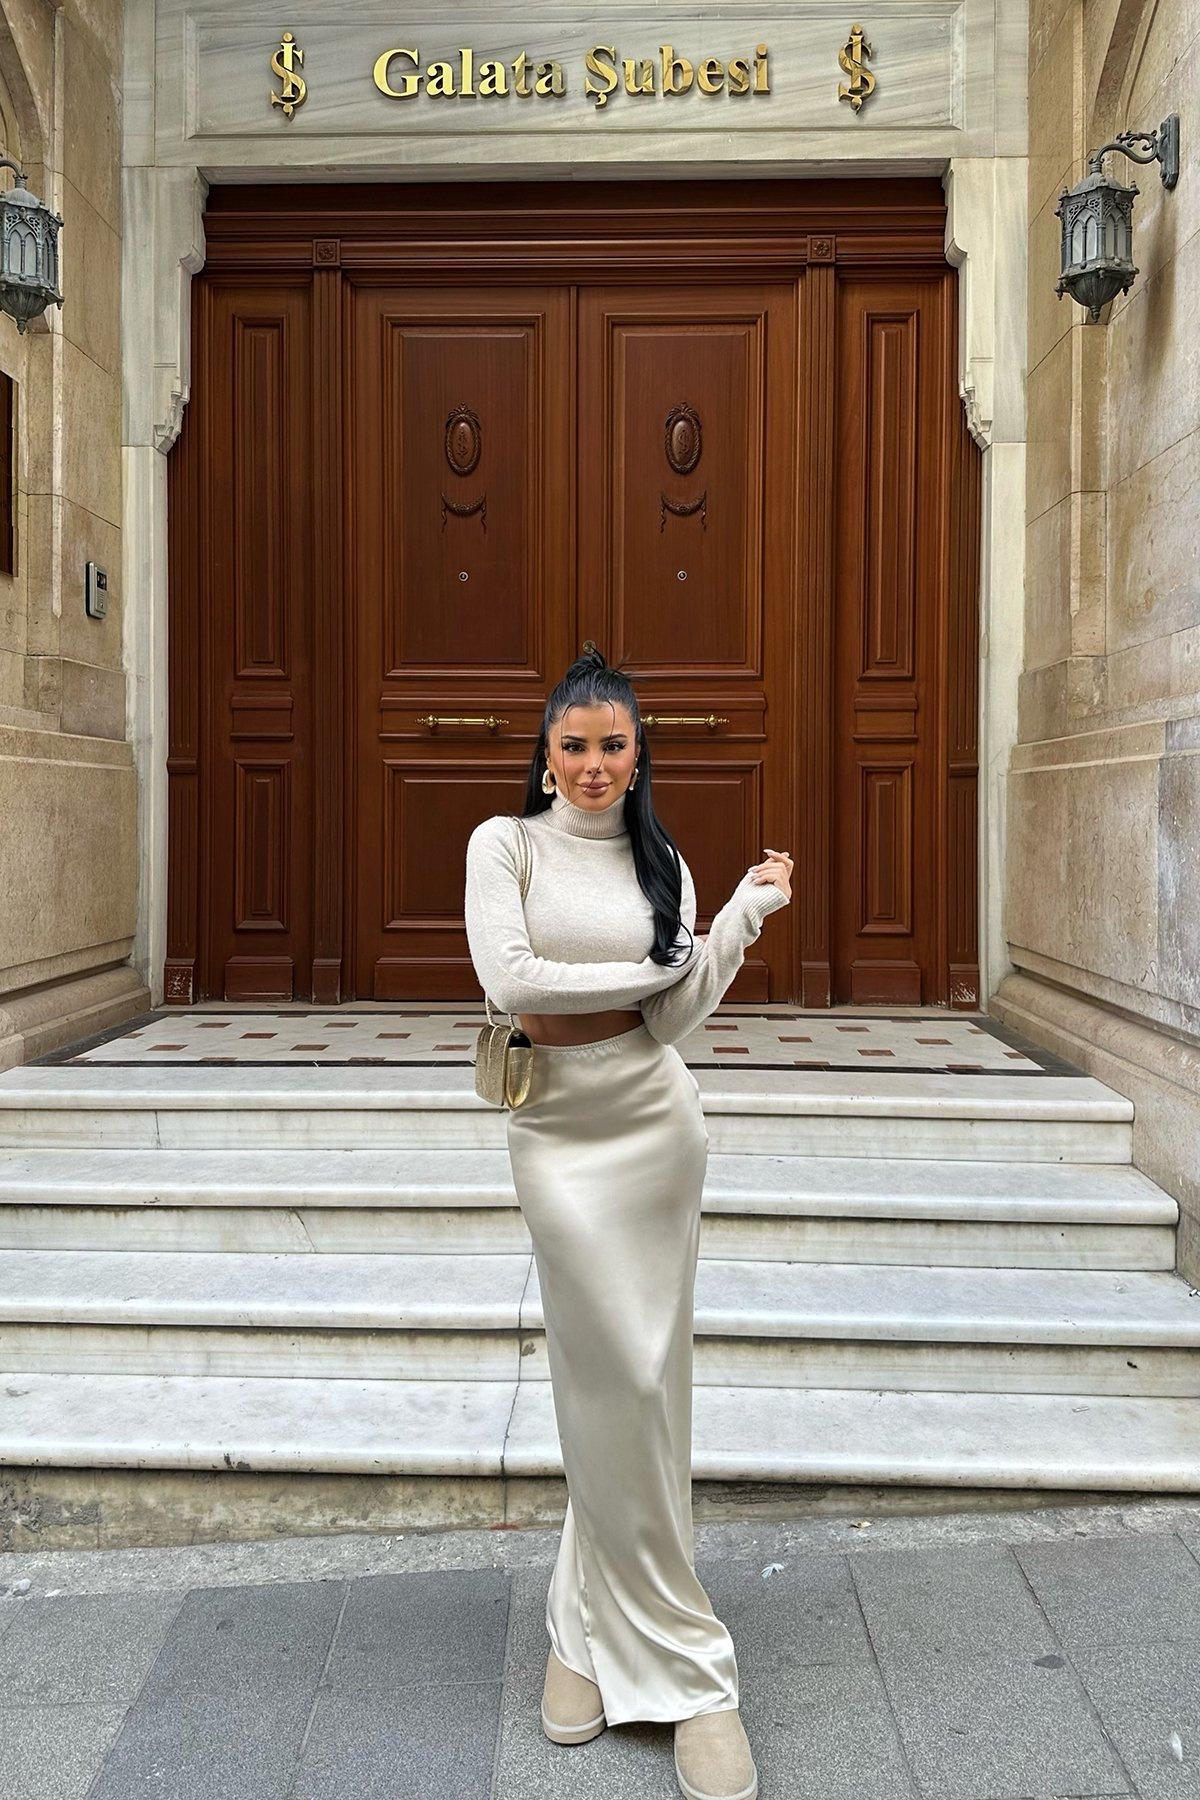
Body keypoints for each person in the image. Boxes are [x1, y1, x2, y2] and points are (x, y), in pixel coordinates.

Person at [463, 645, 792, 1800]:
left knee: (646, 1383)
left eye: (613, 745)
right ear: (546, 753)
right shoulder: (505, 846)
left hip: (655, 1125)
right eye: (575, 745)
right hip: (555, 1131)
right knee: (606, 1375)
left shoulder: (665, 863)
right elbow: (511, 980)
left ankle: (586, 1634)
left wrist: (738, 919)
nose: (594, 764)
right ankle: (690, 1665)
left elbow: (676, 1017)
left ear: (638, 755)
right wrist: (650, 974)